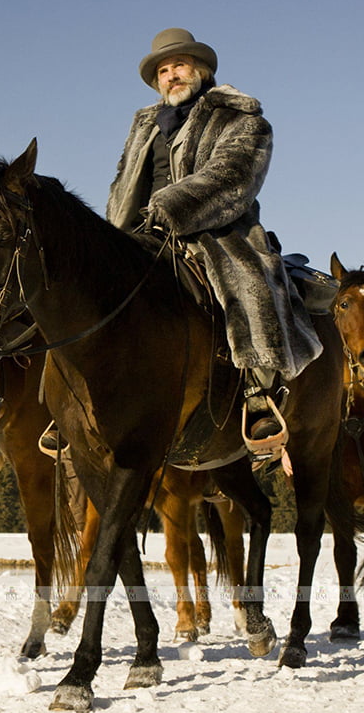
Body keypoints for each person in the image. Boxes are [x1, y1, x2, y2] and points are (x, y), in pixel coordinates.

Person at [106, 28, 322, 457]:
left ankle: (258, 395)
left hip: (217, 232)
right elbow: (124, 184)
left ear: (201, 70)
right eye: (163, 71)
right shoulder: (144, 127)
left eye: (179, 66)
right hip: (140, 234)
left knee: (251, 283)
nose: (171, 76)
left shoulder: (242, 120)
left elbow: (233, 178)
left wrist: (170, 208)